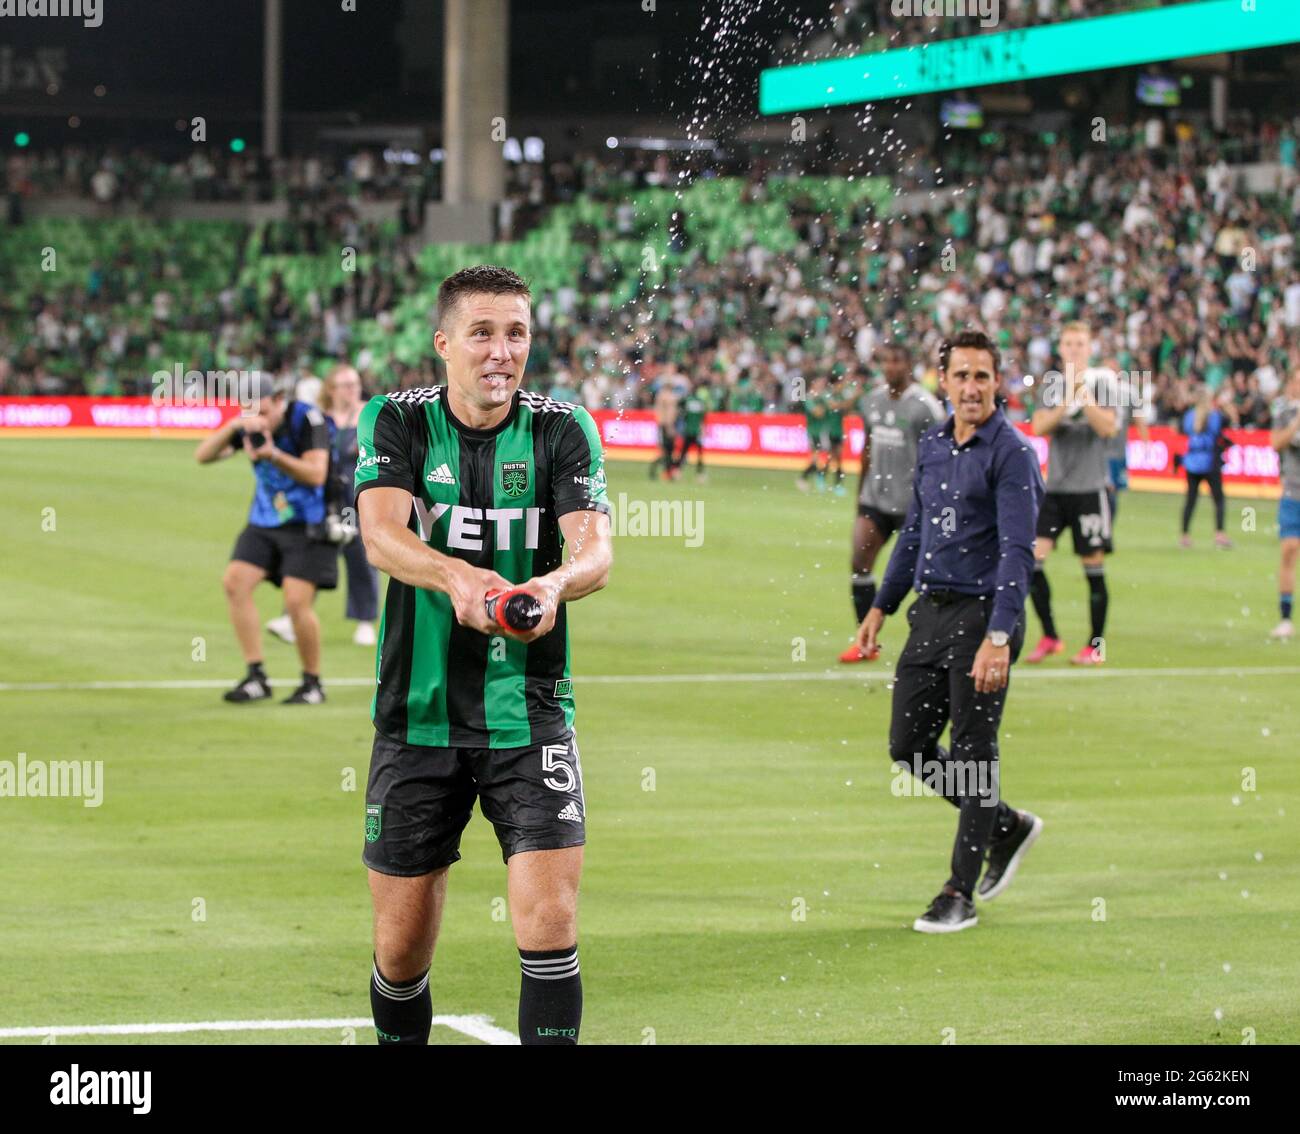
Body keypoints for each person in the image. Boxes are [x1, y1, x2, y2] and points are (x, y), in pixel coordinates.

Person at [355, 264, 613, 1045]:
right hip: (417, 717)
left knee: (551, 923)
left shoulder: (563, 428)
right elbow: (380, 534)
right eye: (482, 333)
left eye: (517, 334)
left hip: (529, 717)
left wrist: (555, 585)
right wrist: (456, 577)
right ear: (444, 343)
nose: (502, 351)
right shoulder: (394, 419)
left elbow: (595, 550)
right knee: (400, 951)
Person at [857, 330, 1045, 934]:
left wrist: (1000, 636)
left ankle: (958, 891)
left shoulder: (1011, 453)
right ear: (944, 381)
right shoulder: (934, 443)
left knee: (973, 754)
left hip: (982, 615)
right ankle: (1005, 825)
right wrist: (882, 604)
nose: (971, 387)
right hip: (929, 615)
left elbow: (1019, 551)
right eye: (961, 376)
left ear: (997, 384)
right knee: (906, 745)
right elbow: (914, 534)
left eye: (982, 377)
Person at [194, 374, 337, 704]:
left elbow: (317, 474)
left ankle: (312, 683)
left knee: (296, 602)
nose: (257, 417)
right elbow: (203, 456)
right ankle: (256, 675)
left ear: (279, 399)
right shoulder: (247, 426)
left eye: (261, 409)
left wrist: (273, 454)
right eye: (248, 409)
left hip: (308, 522)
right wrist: (235, 427)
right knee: (235, 582)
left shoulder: (306, 419)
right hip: (264, 520)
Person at [839, 344, 945, 663]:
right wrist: (860, 495)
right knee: (859, 563)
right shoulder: (872, 400)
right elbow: (868, 448)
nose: (890, 366)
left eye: (896, 360)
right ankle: (865, 641)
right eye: (885, 361)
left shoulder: (925, 407)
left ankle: (934, 640)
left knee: (930, 575)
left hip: (914, 504)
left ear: (909, 363)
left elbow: (939, 456)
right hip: (875, 500)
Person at [1026, 322, 1119, 667]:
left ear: (1090, 348)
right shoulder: (1051, 385)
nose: (1075, 349)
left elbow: (1107, 427)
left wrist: (1085, 394)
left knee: (1093, 567)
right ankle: (1050, 635)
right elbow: (1039, 427)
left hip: (1090, 489)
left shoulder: (1105, 384)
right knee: (1031, 562)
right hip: (1055, 490)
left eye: (1081, 343)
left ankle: (1095, 646)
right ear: (1061, 348)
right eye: (1069, 344)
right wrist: (1068, 397)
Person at [1178, 384, 1233, 549]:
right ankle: (1220, 534)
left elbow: (1183, 431)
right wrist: (1225, 404)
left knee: (1191, 499)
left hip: (1192, 461)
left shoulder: (1189, 416)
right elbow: (1230, 421)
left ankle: (1185, 535)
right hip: (1210, 461)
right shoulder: (1215, 416)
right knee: (1218, 499)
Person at [1268, 368, 1300, 639]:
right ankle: (1286, 617)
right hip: (1292, 492)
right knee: (1289, 550)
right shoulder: (1284, 412)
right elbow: (1276, 443)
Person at [671, 377, 711, 481]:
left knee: (684, 453)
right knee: (699, 454)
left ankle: (677, 472)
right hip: (695, 430)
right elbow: (703, 417)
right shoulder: (700, 402)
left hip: (689, 430)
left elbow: (680, 412)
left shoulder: (687, 400)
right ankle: (699, 474)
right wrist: (702, 429)